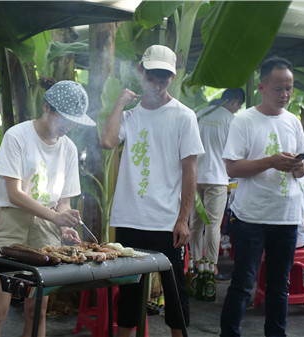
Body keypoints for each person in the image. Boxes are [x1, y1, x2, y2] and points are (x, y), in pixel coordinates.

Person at [100, 45, 204, 337]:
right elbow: (107, 141)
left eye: (164, 77)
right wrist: (120, 103)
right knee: (130, 291)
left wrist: (183, 219)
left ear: (172, 77)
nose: (157, 83)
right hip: (130, 218)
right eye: (152, 76)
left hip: (166, 222)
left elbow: (190, 170)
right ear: (140, 71)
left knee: (175, 293)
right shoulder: (130, 117)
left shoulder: (184, 116)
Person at [0, 78, 95, 336]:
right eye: (64, 118)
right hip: (12, 221)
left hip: (47, 227)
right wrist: (56, 217)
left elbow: (64, 200)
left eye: (74, 120)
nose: (69, 125)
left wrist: (64, 226)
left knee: (37, 310)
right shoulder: (17, 135)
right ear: (47, 108)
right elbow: (14, 194)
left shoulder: (69, 148)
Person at [220, 56, 304, 337]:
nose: (285, 95)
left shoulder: (293, 121)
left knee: (279, 284)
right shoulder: (245, 121)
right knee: (244, 283)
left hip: (286, 216)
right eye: (278, 88)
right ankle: (229, 333)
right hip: (251, 218)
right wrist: (270, 162)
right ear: (261, 87)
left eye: (290, 88)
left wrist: (299, 166)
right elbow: (232, 167)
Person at [191, 88, 245, 279]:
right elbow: (235, 152)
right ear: (234, 102)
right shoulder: (230, 120)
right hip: (217, 178)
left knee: (195, 224)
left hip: (195, 177)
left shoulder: (198, 114)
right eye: (238, 107)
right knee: (213, 225)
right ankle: (212, 266)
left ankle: (195, 262)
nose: (236, 110)